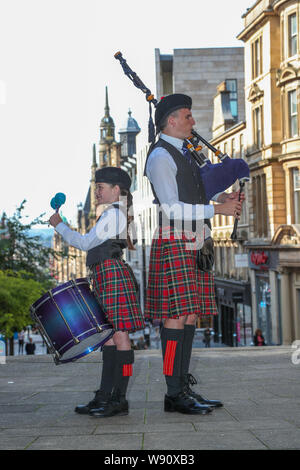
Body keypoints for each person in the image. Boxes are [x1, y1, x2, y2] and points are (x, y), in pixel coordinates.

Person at [144, 94, 244, 414]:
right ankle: (174, 393)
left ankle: (182, 386)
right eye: (188, 116)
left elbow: (192, 192)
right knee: (175, 317)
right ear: (171, 121)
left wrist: (219, 195)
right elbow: (172, 207)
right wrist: (218, 208)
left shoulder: (184, 153)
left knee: (189, 315)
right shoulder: (160, 156)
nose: (193, 122)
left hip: (198, 239)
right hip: (176, 237)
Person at [49, 167, 145, 418]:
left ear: (116, 190)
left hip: (112, 276)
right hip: (107, 276)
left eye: (101, 187)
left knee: (120, 338)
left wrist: (60, 226)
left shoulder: (113, 215)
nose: (97, 192)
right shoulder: (114, 213)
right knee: (111, 339)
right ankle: (106, 395)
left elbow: (84, 243)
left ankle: (119, 399)